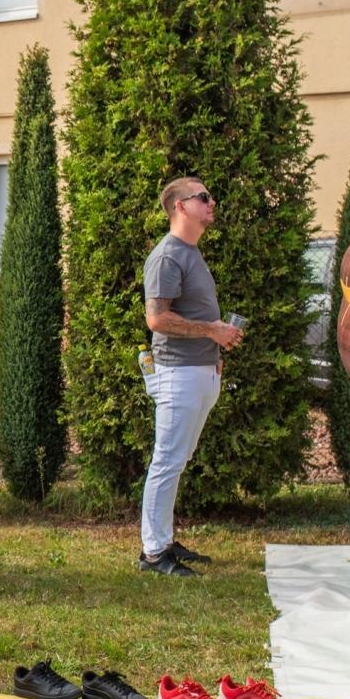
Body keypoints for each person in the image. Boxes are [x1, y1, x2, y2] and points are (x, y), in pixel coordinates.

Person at [139, 177, 243, 577]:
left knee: (177, 460)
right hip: (177, 374)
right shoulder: (167, 256)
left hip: (199, 371)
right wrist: (212, 331)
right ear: (180, 207)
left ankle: (163, 539)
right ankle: (153, 553)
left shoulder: (191, 253)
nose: (211, 202)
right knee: (167, 461)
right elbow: (157, 319)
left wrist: (214, 350)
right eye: (203, 197)